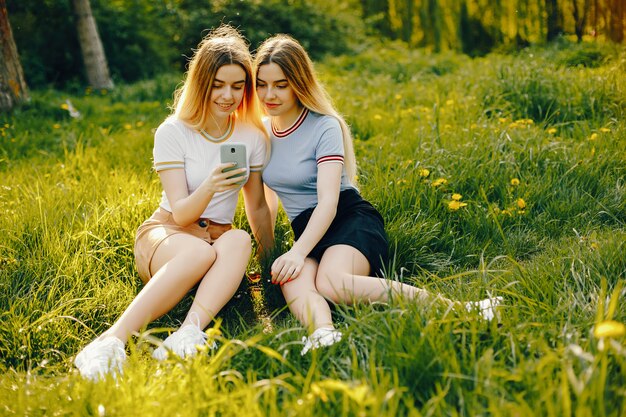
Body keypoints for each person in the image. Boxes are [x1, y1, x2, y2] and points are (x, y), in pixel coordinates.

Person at [254, 34, 501, 355]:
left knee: (332, 283)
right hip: (306, 229)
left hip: (347, 218)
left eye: (280, 85)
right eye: (261, 84)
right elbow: (263, 204)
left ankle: (465, 308)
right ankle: (324, 334)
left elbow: (328, 202)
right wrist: (271, 255)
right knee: (291, 280)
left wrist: (298, 252)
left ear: (299, 82)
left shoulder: (323, 126)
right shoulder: (261, 132)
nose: (269, 94)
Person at [74, 25, 273, 380]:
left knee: (238, 239)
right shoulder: (174, 131)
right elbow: (182, 213)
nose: (228, 95)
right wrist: (212, 184)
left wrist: (269, 261)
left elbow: (256, 206)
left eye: (237, 86)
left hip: (217, 241)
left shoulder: (251, 136)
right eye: (218, 85)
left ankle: (187, 334)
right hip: (168, 234)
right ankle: (109, 341)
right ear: (202, 83)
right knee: (199, 252)